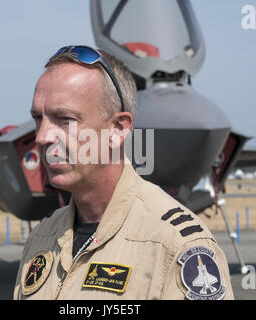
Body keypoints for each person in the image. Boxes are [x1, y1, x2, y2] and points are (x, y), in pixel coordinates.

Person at [13, 45, 234, 300]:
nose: (41, 137)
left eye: (65, 119)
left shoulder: (177, 245)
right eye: (38, 118)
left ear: (118, 129)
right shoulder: (42, 237)